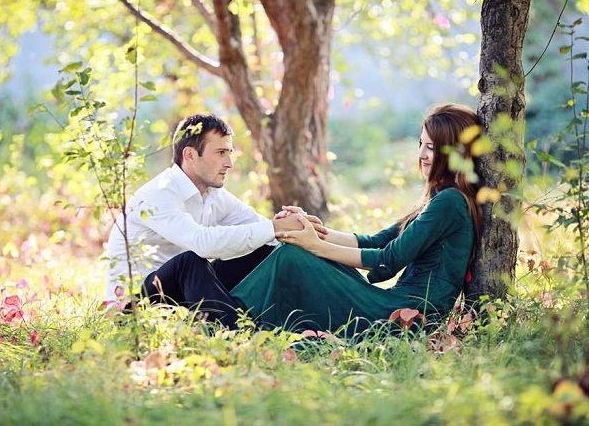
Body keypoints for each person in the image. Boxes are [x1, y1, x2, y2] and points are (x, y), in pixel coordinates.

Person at [230, 103, 483, 334]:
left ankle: (229, 317)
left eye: (432, 148)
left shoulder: (450, 202)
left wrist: (315, 245)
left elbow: (388, 260)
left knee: (291, 257)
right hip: (398, 307)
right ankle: (237, 316)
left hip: (407, 317)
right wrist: (315, 231)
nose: (422, 155)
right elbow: (378, 241)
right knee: (295, 251)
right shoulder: (440, 198)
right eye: (421, 144)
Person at [104, 113, 311, 328]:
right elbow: (203, 244)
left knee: (262, 247)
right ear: (190, 155)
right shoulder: (159, 193)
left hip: (182, 298)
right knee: (189, 262)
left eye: (229, 153)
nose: (229, 163)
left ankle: (290, 323)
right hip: (135, 308)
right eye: (221, 153)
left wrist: (294, 226)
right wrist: (274, 228)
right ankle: (243, 335)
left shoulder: (213, 195)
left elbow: (262, 229)